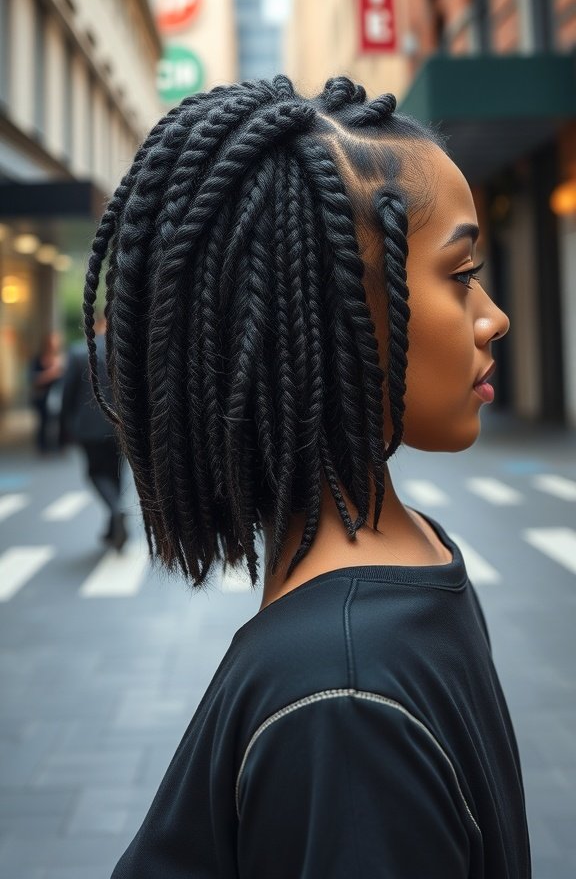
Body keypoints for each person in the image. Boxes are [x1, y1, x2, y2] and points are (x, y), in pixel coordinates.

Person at [83, 76, 531, 877]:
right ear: (339, 312)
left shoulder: (342, 694)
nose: (493, 315)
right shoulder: (362, 656)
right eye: (460, 275)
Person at [60, 315, 128, 551]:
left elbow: (67, 394)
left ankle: (115, 510)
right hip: (120, 426)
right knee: (116, 474)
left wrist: (62, 429)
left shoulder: (79, 352)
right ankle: (113, 526)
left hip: (89, 426)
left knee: (96, 473)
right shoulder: (123, 352)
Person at [29, 330, 65, 453]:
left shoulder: (62, 357)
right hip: (42, 396)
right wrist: (52, 373)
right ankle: (42, 446)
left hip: (58, 395)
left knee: (61, 421)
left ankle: (59, 445)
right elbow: (34, 378)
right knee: (43, 421)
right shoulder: (38, 359)